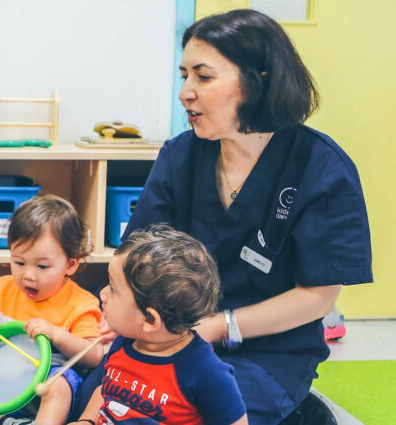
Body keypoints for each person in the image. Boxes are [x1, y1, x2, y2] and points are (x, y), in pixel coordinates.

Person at [119, 9, 372, 424]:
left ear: (258, 82)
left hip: (270, 351)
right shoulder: (180, 156)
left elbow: (320, 295)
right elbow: (138, 253)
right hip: (169, 337)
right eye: (184, 76)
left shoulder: (320, 168)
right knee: (93, 398)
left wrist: (222, 326)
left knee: (186, 413)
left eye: (203, 76)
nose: (185, 92)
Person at [0, 195, 105, 425]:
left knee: (59, 385)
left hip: (44, 387)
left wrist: (56, 334)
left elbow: (94, 357)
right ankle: (2, 421)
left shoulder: (81, 303)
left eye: (42, 266)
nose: (28, 275)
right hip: (2, 379)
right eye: (19, 262)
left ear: (71, 264)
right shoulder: (5, 287)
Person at [75, 224, 247, 425]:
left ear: (149, 320)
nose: (102, 294)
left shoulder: (207, 374)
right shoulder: (124, 343)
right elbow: (106, 393)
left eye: (113, 288)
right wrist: (87, 421)